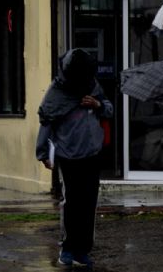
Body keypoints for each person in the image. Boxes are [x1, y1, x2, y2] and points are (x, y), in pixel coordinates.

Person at [36, 48, 113, 268]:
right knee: (72, 203)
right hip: (68, 155)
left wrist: (97, 105)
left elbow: (109, 109)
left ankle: (83, 250)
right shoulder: (57, 92)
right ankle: (68, 248)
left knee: (89, 202)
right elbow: (46, 120)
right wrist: (42, 152)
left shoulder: (92, 85)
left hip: (92, 153)